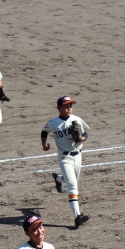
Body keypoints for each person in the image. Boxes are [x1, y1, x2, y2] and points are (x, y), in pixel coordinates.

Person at [41, 96, 91, 228]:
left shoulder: (76, 119)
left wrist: (81, 138)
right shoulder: (53, 122)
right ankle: (77, 216)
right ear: (59, 108)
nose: (69, 108)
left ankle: (58, 178)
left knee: (72, 180)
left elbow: (85, 134)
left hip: (78, 156)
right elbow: (44, 132)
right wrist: (44, 144)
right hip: (64, 158)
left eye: (70, 106)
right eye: (66, 106)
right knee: (72, 185)